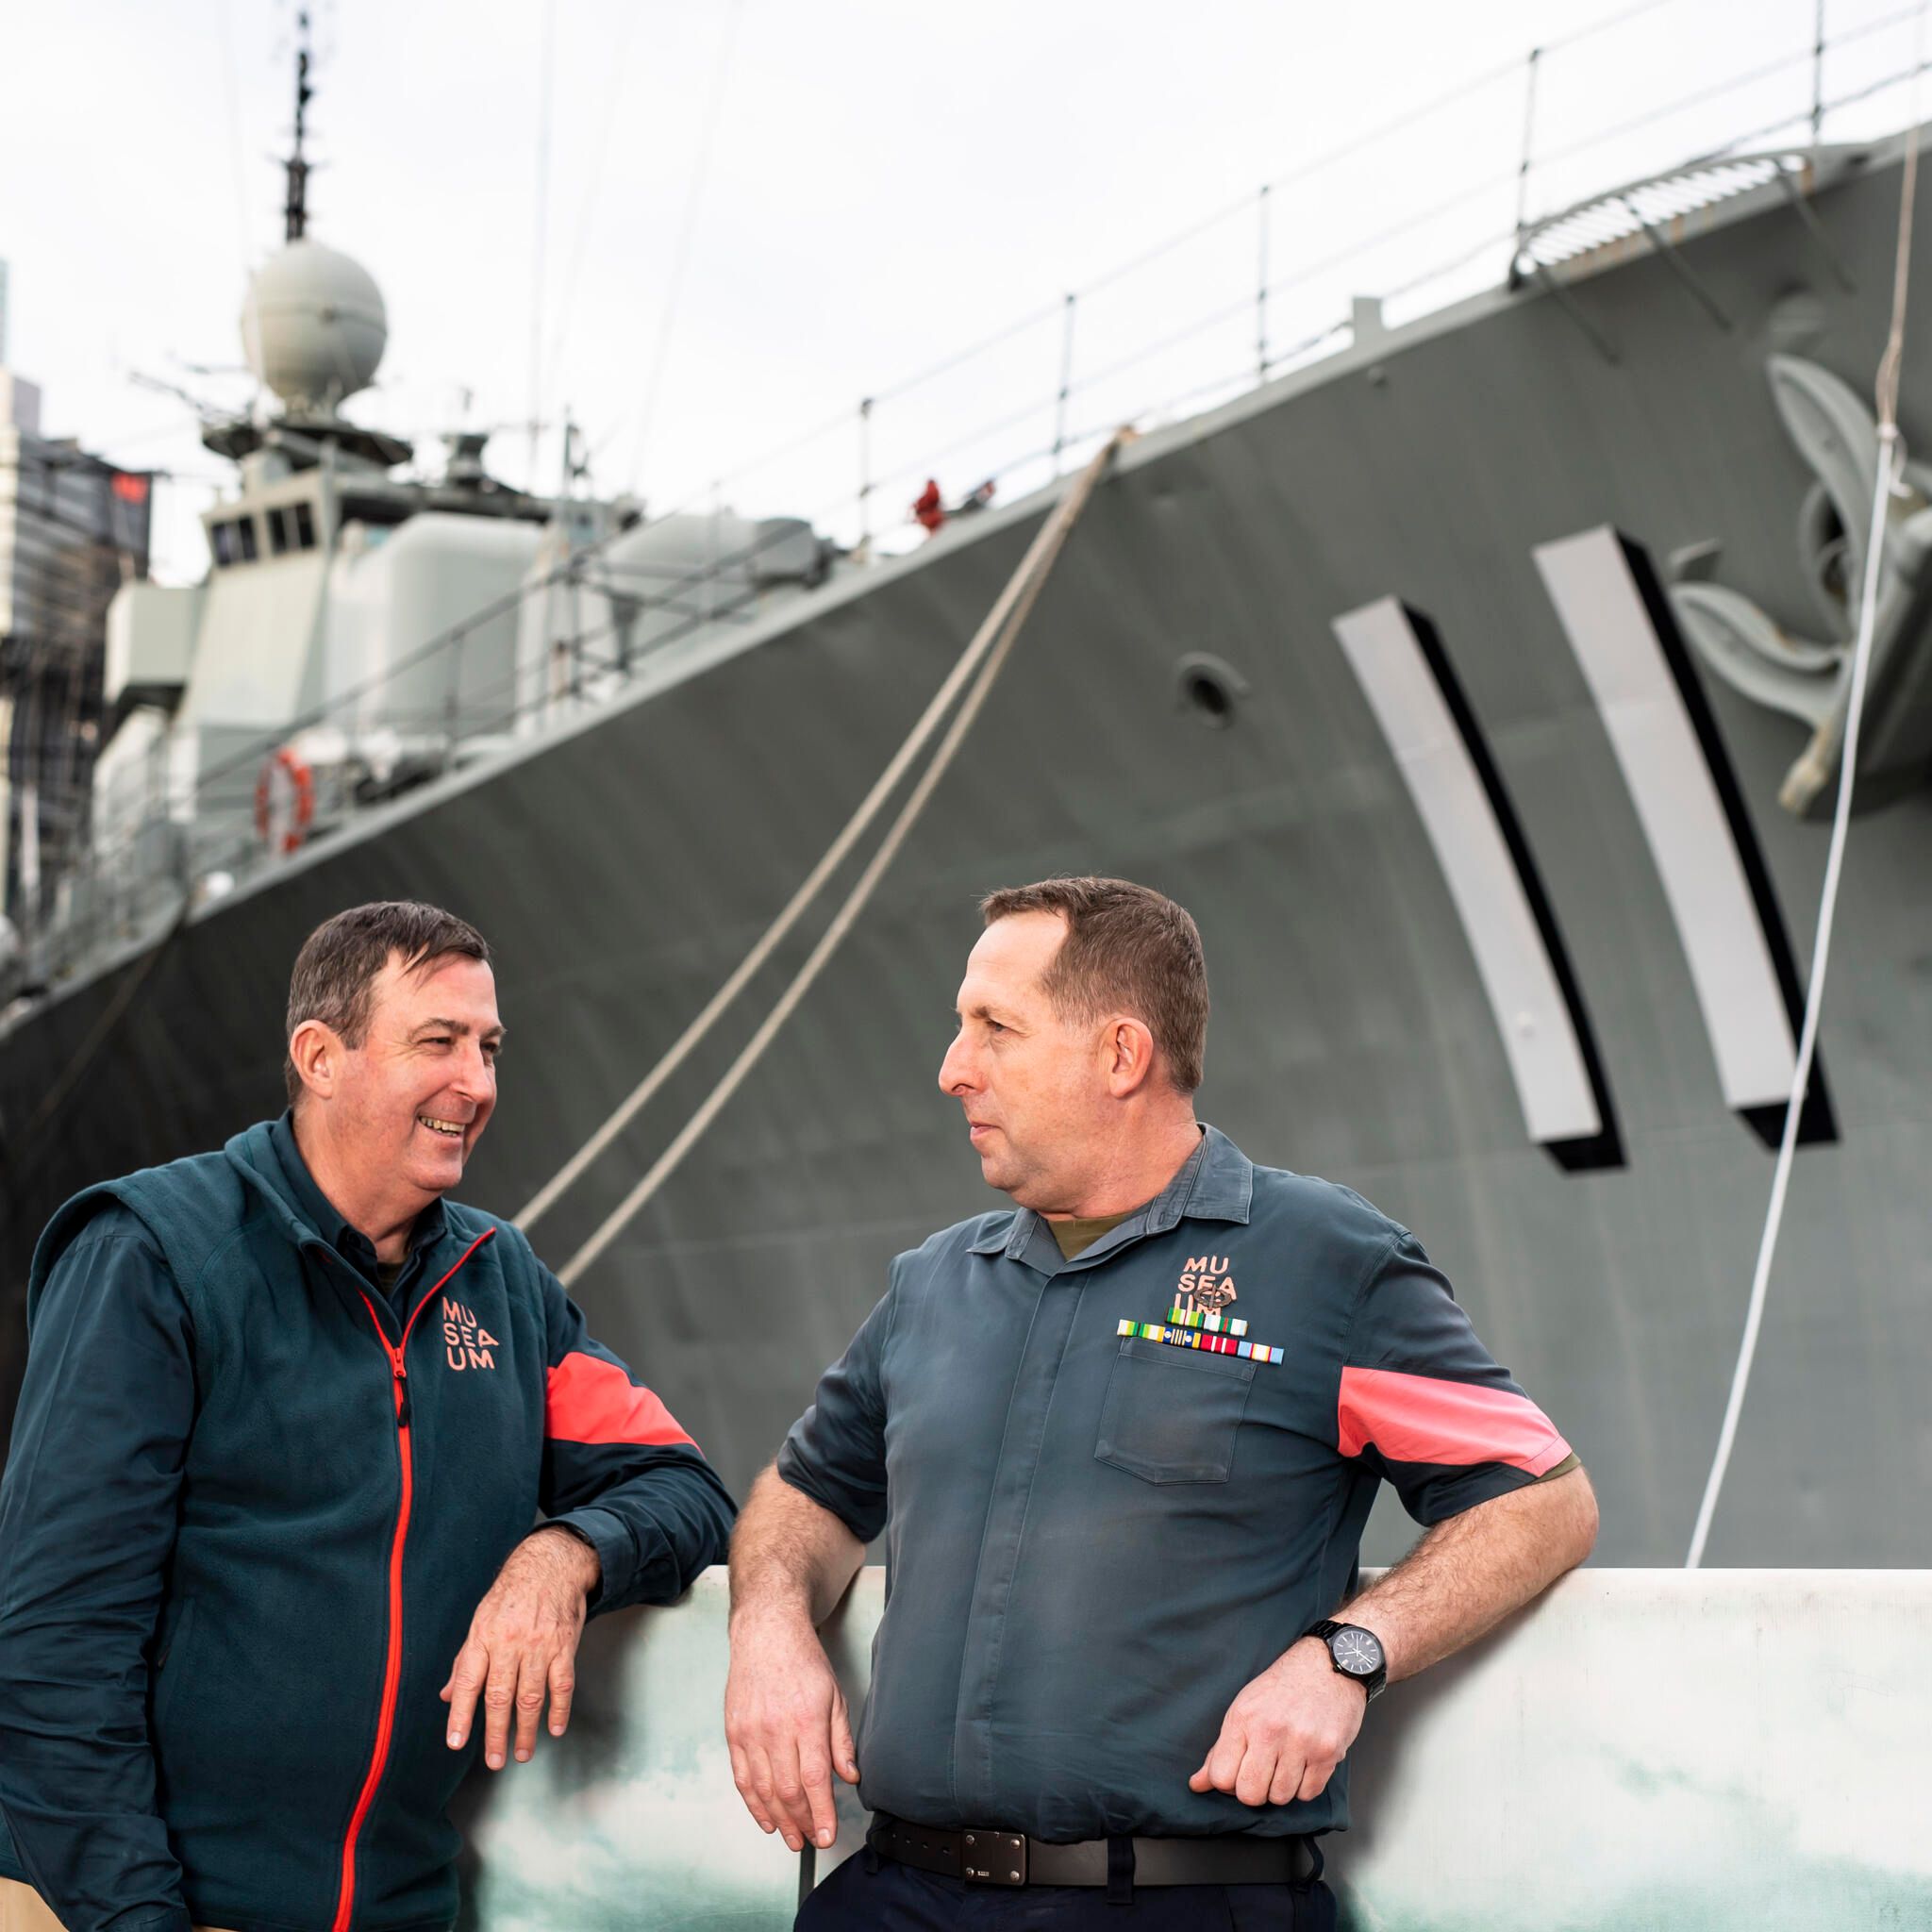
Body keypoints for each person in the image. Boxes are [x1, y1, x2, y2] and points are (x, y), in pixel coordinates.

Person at [724, 876, 1596, 1927]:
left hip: (1171, 1903)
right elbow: (808, 1489)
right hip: (892, 1894)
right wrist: (768, 1623)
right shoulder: (932, 1283)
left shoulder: (1324, 1262)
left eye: (994, 1027)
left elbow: (1540, 1498)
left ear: (1121, 1055)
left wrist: (1347, 1654)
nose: (953, 1069)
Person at [0, 901, 735, 1932]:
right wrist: (136, 1917)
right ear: (321, 1056)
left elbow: (684, 1485)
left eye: (487, 1047)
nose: (474, 1084)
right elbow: (54, 1643)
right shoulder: (152, 1256)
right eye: (435, 1042)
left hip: (398, 1909)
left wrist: (561, 1556)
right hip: (122, 1903)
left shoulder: (499, 1284)